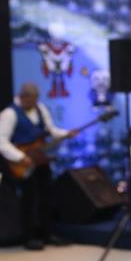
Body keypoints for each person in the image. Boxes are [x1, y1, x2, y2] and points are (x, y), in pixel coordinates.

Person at [0, 82, 75, 250]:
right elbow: (1, 141)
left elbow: (51, 130)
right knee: (28, 198)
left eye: (33, 99)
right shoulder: (9, 113)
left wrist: (66, 133)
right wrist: (20, 157)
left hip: (40, 160)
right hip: (21, 163)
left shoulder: (41, 109)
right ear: (21, 96)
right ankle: (28, 237)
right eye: (27, 98)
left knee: (46, 196)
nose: (30, 102)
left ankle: (46, 234)